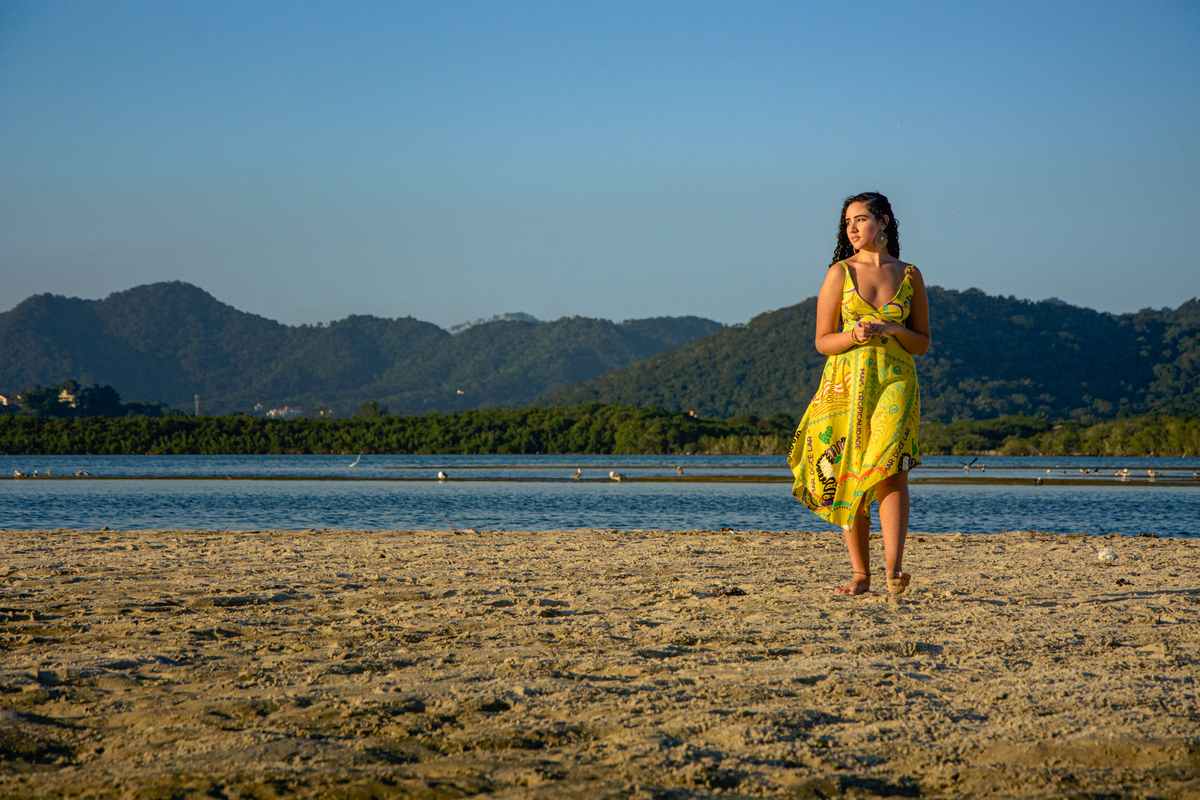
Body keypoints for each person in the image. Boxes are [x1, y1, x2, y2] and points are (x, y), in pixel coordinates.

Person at [787, 192, 930, 595]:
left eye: (861, 219)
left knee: (891, 469)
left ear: (883, 221)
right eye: (847, 221)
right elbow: (821, 340)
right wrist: (853, 334)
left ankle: (894, 570)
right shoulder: (839, 273)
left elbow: (921, 342)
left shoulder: (910, 275)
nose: (851, 227)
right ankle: (860, 574)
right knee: (850, 471)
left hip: (896, 382)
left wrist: (893, 330)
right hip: (846, 386)